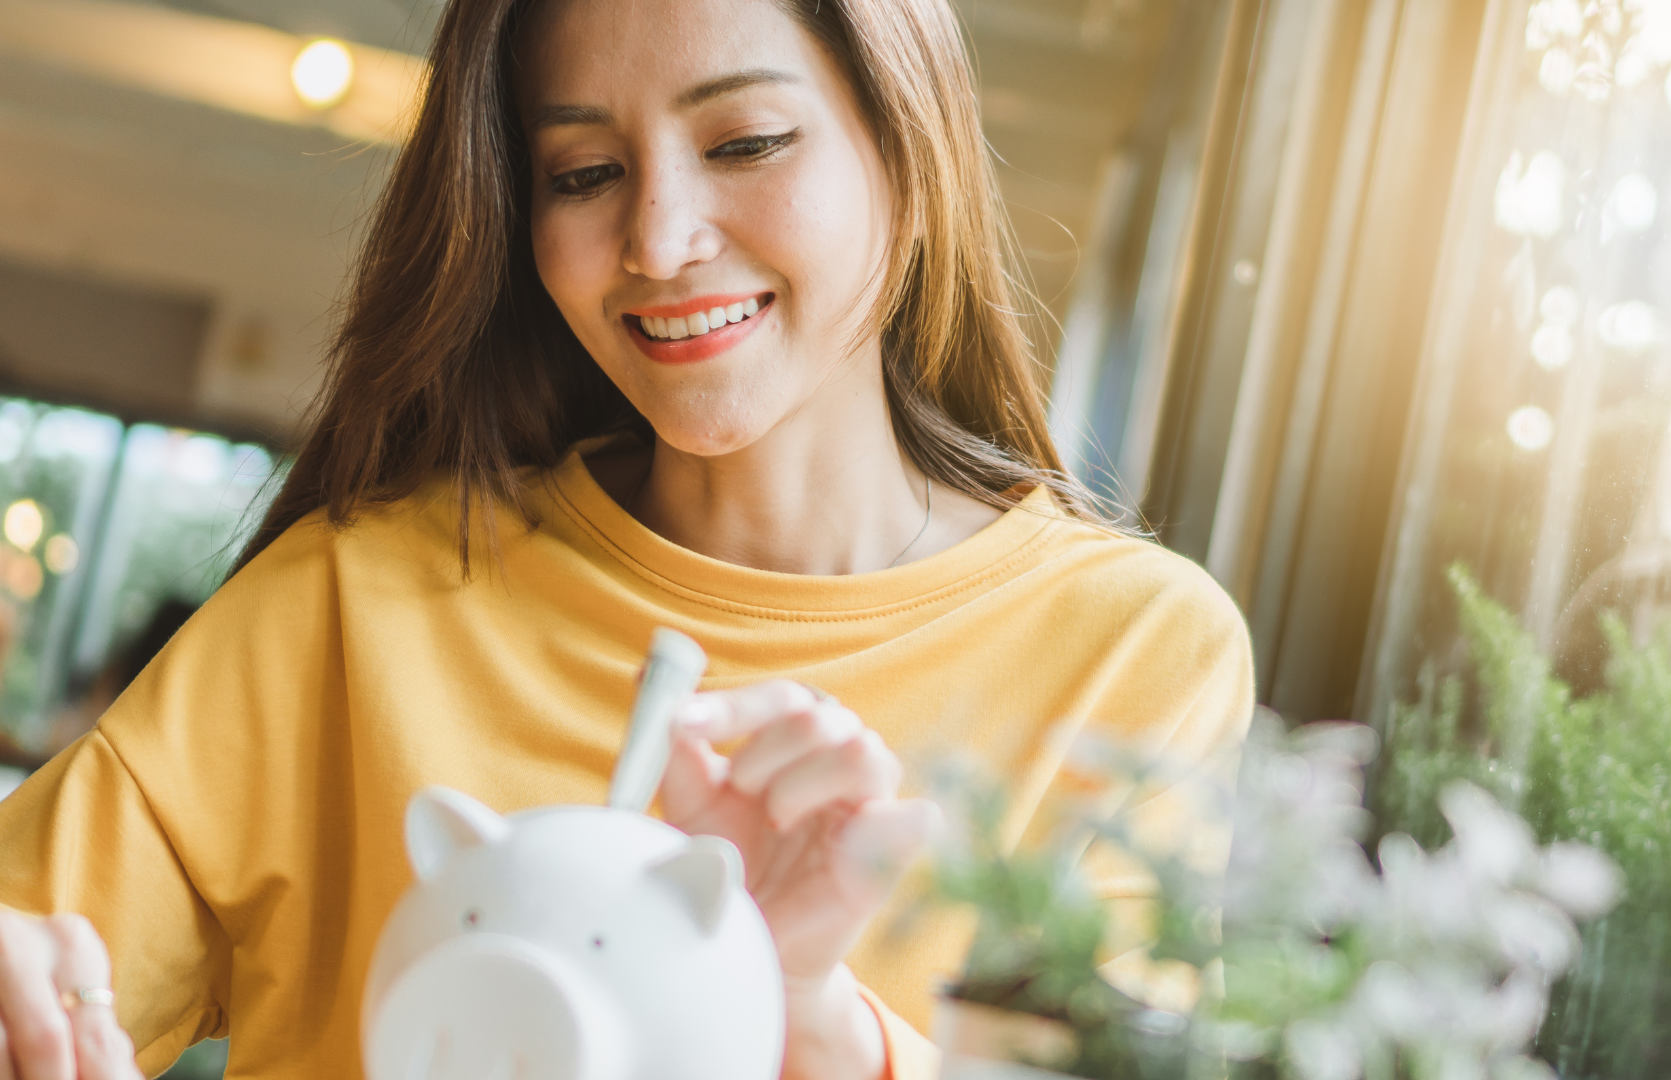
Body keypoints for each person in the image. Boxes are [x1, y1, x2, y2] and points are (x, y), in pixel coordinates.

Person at [0, 0, 1253, 1077]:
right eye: (584, 174)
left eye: (745, 143)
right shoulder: (351, 600)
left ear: (910, 153)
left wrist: (810, 1018)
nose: (658, 241)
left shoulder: (1130, 651)